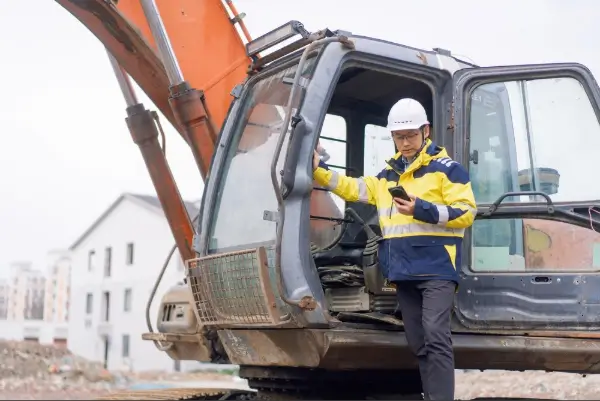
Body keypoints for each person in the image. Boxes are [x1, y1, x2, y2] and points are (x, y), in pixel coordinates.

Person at [312, 98, 477, 400]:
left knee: (436, 335)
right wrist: (320, 171)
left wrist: (422, 209)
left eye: (411, 135)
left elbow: (466, 212)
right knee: (418, 341)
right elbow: (353, 188)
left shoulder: (448, 170)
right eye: (399, 137)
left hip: (438, 268)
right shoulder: (386, 177)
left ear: (426, 131)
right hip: (403, 270)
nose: (405, 142)